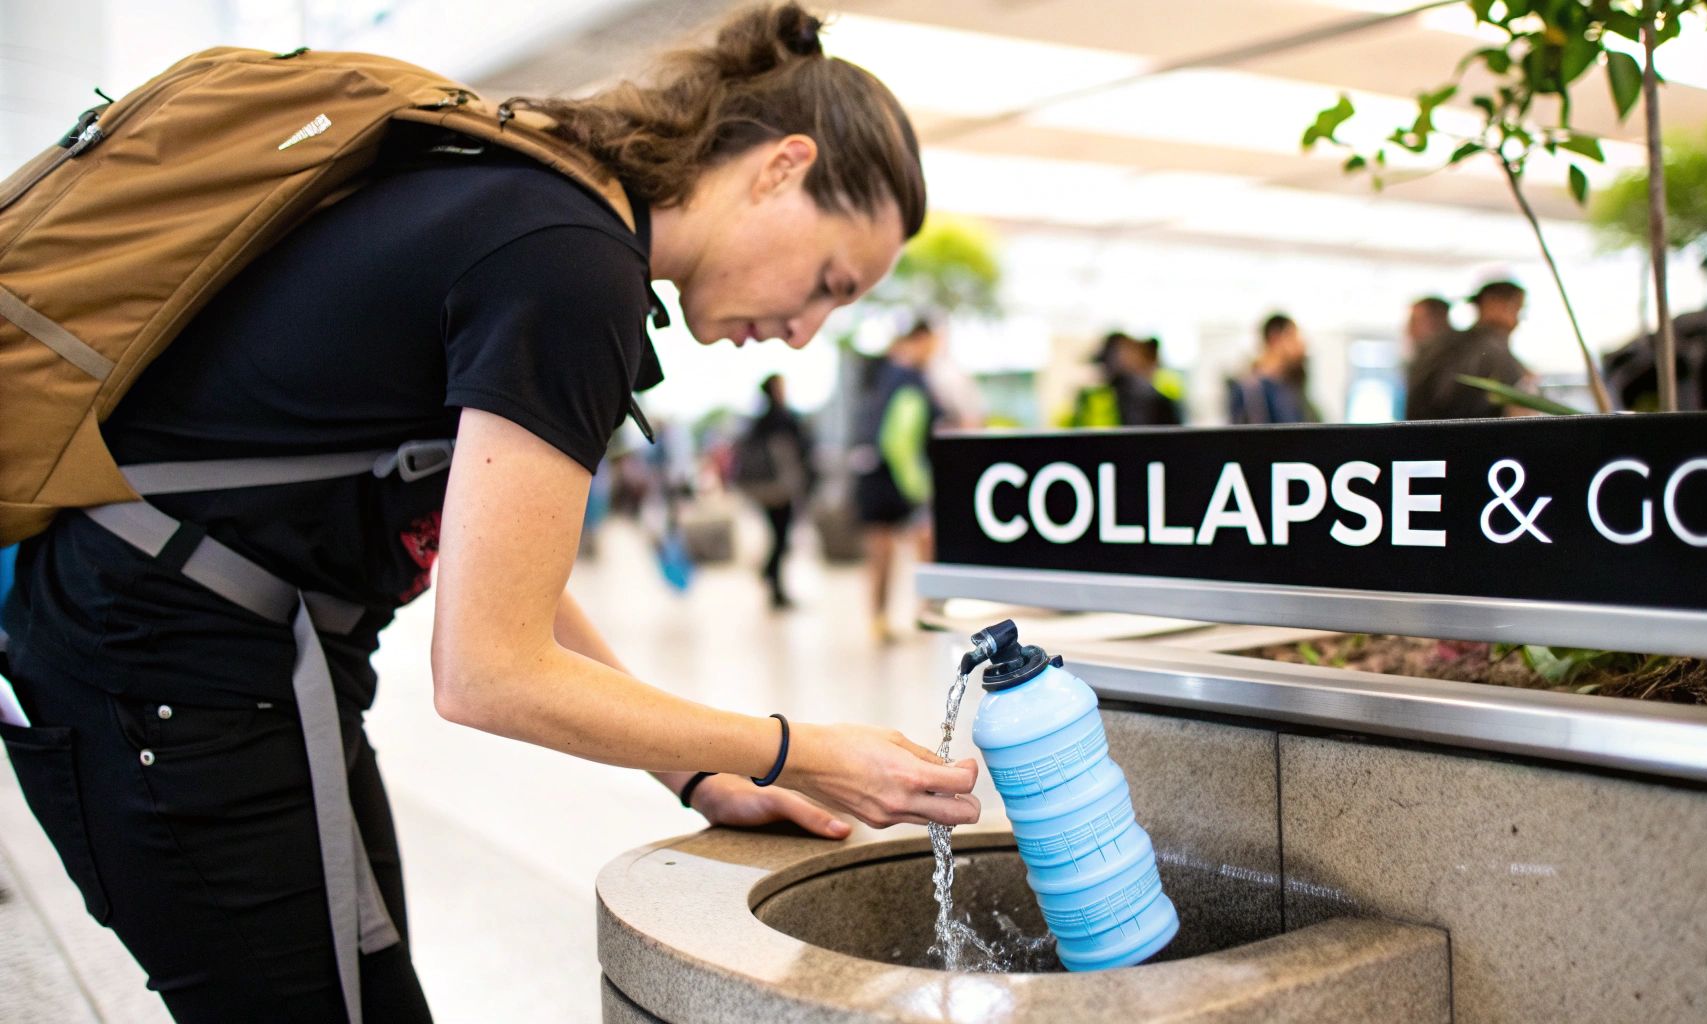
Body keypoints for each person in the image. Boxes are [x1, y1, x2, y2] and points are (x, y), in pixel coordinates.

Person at [0, 7, 979, 1022]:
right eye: (827, 282)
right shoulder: (569, 262)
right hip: (166, 668)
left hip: (210, 655)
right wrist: (800, 747)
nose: (804, 331)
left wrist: (700, 768)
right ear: (780, 167)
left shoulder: (540, 204)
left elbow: (514, 579)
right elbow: (488, 672)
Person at [853, 321, 942, 643]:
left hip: (869, 470)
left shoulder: (875, 373)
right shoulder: (910, 379)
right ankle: (927, 615)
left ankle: (878, 620)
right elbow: (899, 440)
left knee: (879, 554)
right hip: (897, 478)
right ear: (921, 339)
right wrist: (918, 488)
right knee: (924, 543)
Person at [735, 375, 814, 607]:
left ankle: (772, 579)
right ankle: (772, 578)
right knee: (781, 538)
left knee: (777, 537)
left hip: (765, 489)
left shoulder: (758, 421)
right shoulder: (783, 417)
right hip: (781, 486)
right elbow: (801, 448)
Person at [1404, 280, 1533, 420]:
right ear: (1493, 303)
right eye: (1516, 309)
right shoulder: (1490, 346)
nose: (1516, 321)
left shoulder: (1449, 341)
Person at [1228, 313, 1314, 424]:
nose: (1301, 345)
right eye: (1293, 337)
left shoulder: (1290, 386)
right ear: (1275, 338)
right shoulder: (1249, 390)